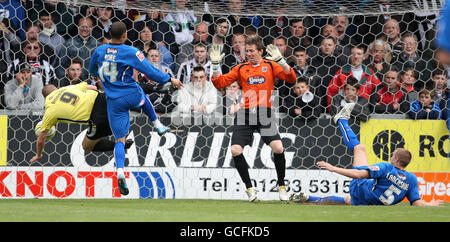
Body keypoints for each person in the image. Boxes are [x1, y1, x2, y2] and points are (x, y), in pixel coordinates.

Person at [88, 22, 183, 196]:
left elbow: (92, 70)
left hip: (113, 100)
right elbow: (152, 73)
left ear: (109, 34)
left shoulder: (99, 51)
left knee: (119, 140)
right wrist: (171, 79)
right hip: (130, 94)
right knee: (141, 91)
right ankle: (157, 124)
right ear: (125, 35)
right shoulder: (132, 52)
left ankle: (120, 172)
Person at [290, 102, 443, 206]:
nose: (390, 157)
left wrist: (333, 168)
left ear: (396, 159)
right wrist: (430, 204)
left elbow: (358, 175)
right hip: (369, 201)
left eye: (393, 154)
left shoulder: (387, 167)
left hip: (361, 188)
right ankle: (310, 199)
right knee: (345, 200)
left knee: (359, 148)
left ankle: (341, 120)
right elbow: (416, 202)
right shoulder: (411, 179)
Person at [210, 36, 297, 202]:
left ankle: (282, 187)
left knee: (278, 148)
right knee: (235, 150)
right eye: (246, 51)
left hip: (264, 113)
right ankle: (250, 189)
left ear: (260, 51)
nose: (248, 54)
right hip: (245, 114)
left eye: (251, 51)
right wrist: (215, 66)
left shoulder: (270, 65)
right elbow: (220, 83)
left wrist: (281, 61)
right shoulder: (241, 68)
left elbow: (291, 78)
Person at [29, 82, 135, 164]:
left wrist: (38, 154)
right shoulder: (66, 88)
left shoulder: (50, 110)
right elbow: (92, 87)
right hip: (102, 98)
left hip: (97, 117)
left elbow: (40, 140)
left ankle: (120, 145)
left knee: (87, 145)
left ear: (45, 98)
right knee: (132, 97)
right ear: (56, 89)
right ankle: (148, 90)